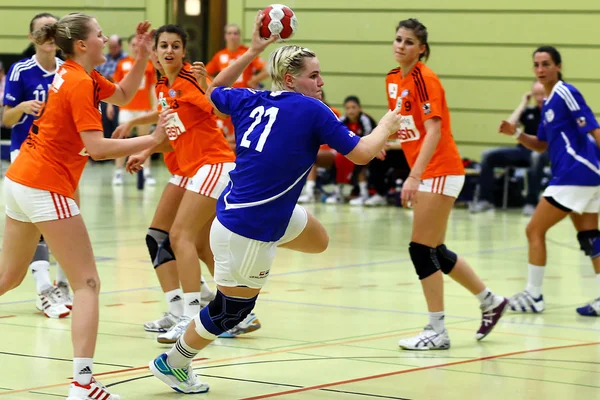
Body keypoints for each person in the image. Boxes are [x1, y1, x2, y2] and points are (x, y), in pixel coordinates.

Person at [148, 12, 403, 394]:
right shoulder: (312, 109)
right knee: (232, 311)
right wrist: (388, 123)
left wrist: (254, 49)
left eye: (320, 74)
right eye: (313, 76)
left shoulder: (252, 99)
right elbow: (363, 153)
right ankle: (175, 362)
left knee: (319, 240)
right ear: (290, 80)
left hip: (239, 215)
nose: (321, 82)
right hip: (247, 232)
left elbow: (214, 91)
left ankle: (266, 238)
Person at [0, 13, 164, 399]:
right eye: (100, 34)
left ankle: (83, 384)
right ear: (82, 44)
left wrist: (141, 55)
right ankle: (83, 385)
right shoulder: (76, 82)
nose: (106, 39)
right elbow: (97, 148)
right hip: (45, 185)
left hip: (20, 180)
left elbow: (123, 95)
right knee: (87, 283)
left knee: (8, 276)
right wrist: (151, 139)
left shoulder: (79, 74)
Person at [127, 25, 256, 345]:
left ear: (184, 52)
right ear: (155, 52)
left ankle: (190, 314)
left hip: (212, 164)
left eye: (175, 45)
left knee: (178, 236)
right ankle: (235, 311)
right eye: (163, 46)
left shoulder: (187, 81)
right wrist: (143, 149)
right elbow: (173, 135)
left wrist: (206, 85)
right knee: (186, 242)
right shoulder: (162, 85)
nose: (169, 51)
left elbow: (217, 108)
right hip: (190, 168)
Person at [386, 18, 508, 350]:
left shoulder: (426, 79)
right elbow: (408, 129)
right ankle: (490, 301)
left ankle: (437, 330)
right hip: (428, 170)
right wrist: (381, 142)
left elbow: (434, 130)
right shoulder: (394, 80)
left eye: (409, 42)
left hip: (440, 169)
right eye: (398, 39)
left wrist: (413, 175)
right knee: (435, 249)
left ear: (421, 49)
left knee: (420, 249)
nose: (401, 45)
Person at [498, 46, 600, 317]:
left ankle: (534, 295)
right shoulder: (548, 103)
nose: (541, 70)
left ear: (558, 66)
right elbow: (541, 145)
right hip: (584, 177)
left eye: (546, 64)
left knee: (534, 230)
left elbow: (593, 127)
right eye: (536, 65)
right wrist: (516, 132)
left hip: (575, 174)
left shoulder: (566, 92)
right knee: (590, 237)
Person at [2, 12, 71, 319]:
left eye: (53, 30)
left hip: (61, 159)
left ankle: (61, 285)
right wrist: (21, 107)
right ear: (32, 38)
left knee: (64, 224)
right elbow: (6, 119)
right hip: (26, 156)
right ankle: (44, 288)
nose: (48, 35)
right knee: (39, 226)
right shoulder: (21, 70)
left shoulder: (67, 71)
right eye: (42, 30)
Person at [470, 81, 549, 215]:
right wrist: (523, 103)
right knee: (488, 155)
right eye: (536, 94)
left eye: (542, 94)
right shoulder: (529, 111)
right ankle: (485, 200)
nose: (540, 98)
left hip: (544, 152)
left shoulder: (554, 112)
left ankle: (531, 202)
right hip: (523, 150)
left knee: (536, 156)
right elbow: (510, 125)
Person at [206, 23, 269, 141]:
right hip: (226, 100)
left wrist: (253, 80)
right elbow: (206, 73)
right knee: (225, 136)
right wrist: (214, 82)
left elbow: (267, 71)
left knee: (242, 135)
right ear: (225, 36)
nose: (232, 36)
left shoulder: (246, 52)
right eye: (229, 33)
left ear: (239, 36)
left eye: (235, 33)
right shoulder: (220, 55)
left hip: (243, 100)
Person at [111, 34, 157, 185]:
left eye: (139, 44)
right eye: (133, 44)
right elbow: (115, 86)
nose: (136, 47)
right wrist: (111, 105)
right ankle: (118, 172)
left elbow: (152, 88)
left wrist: (155, 107)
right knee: (122, 140)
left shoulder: (148, 65)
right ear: (129, 46)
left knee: (146, 140)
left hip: (143, 107)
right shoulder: (122, 64)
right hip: (126, 108)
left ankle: (146, 172)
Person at [96, 34, 126, 138]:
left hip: (118, 90)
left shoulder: (125, 59)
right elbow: (97, 74)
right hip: (104, 90)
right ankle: (106, 137)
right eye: (111, 47)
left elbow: (120, 79)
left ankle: (116, 137)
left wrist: (110, 79)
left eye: (115, 47)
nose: (112, 49)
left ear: (120, 46)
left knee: (115, 106)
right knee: (102, 106)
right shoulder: (104, 58)